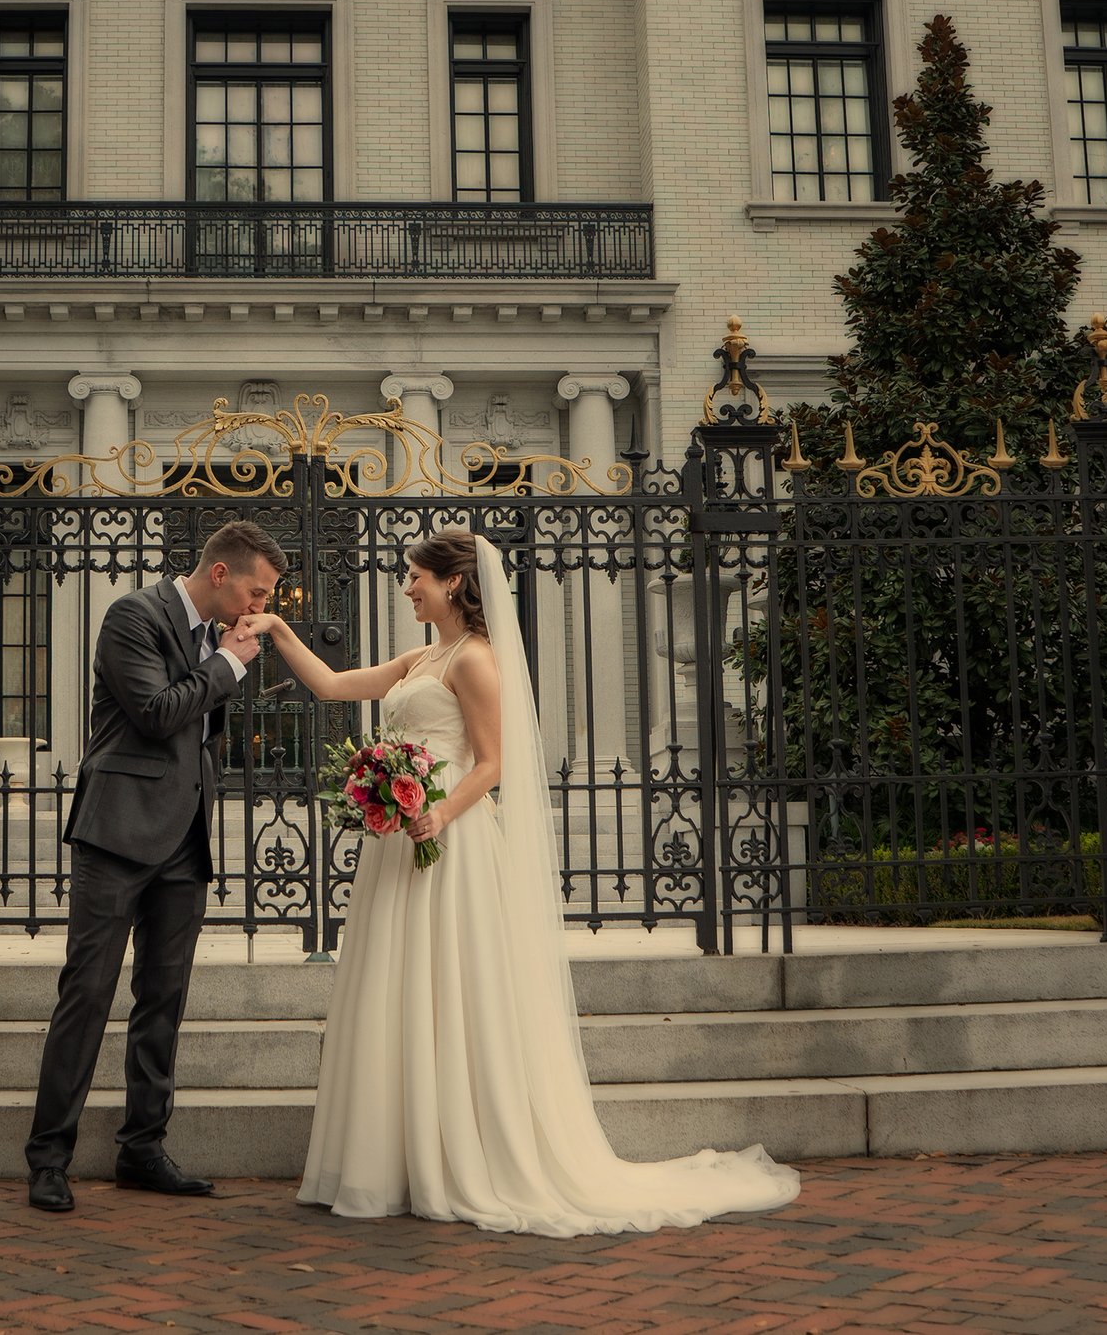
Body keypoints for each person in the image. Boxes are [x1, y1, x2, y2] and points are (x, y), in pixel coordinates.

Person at [237, 527, 802, 1237]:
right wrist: (280, 626)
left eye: (415, 576)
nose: (406, 586)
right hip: (402, 839)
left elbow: (493, 761)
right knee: (398, 989)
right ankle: (398, 1155)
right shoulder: (426, 653)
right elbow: (334, 685)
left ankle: (458, 1154)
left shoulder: (474, 660)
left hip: (453, 840)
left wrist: (437, 809)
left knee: (448, 991)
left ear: (452, 582)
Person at [23, 519, 283, 1213]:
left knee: (163, 998)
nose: (260, 608)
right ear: (221, 573)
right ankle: (49, 1158)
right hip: (116, 833)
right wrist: (227, 665)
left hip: (183, 841)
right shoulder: (133, 615)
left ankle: (143, 1147)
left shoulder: (218, 636)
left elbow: (198, 735)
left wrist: (223, 660)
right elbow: (157, 713)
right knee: (87, 993)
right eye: (256, 592)